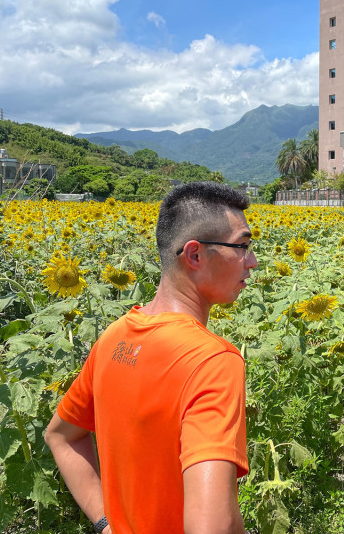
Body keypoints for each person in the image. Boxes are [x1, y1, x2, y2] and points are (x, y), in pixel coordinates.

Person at [45, 182, 258, 534]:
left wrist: (106, 524)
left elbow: (61, 437)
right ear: (194, 255)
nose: (251, 262)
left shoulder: (114, 336)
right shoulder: (212, 361)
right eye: (242, 246)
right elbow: (210, 527)